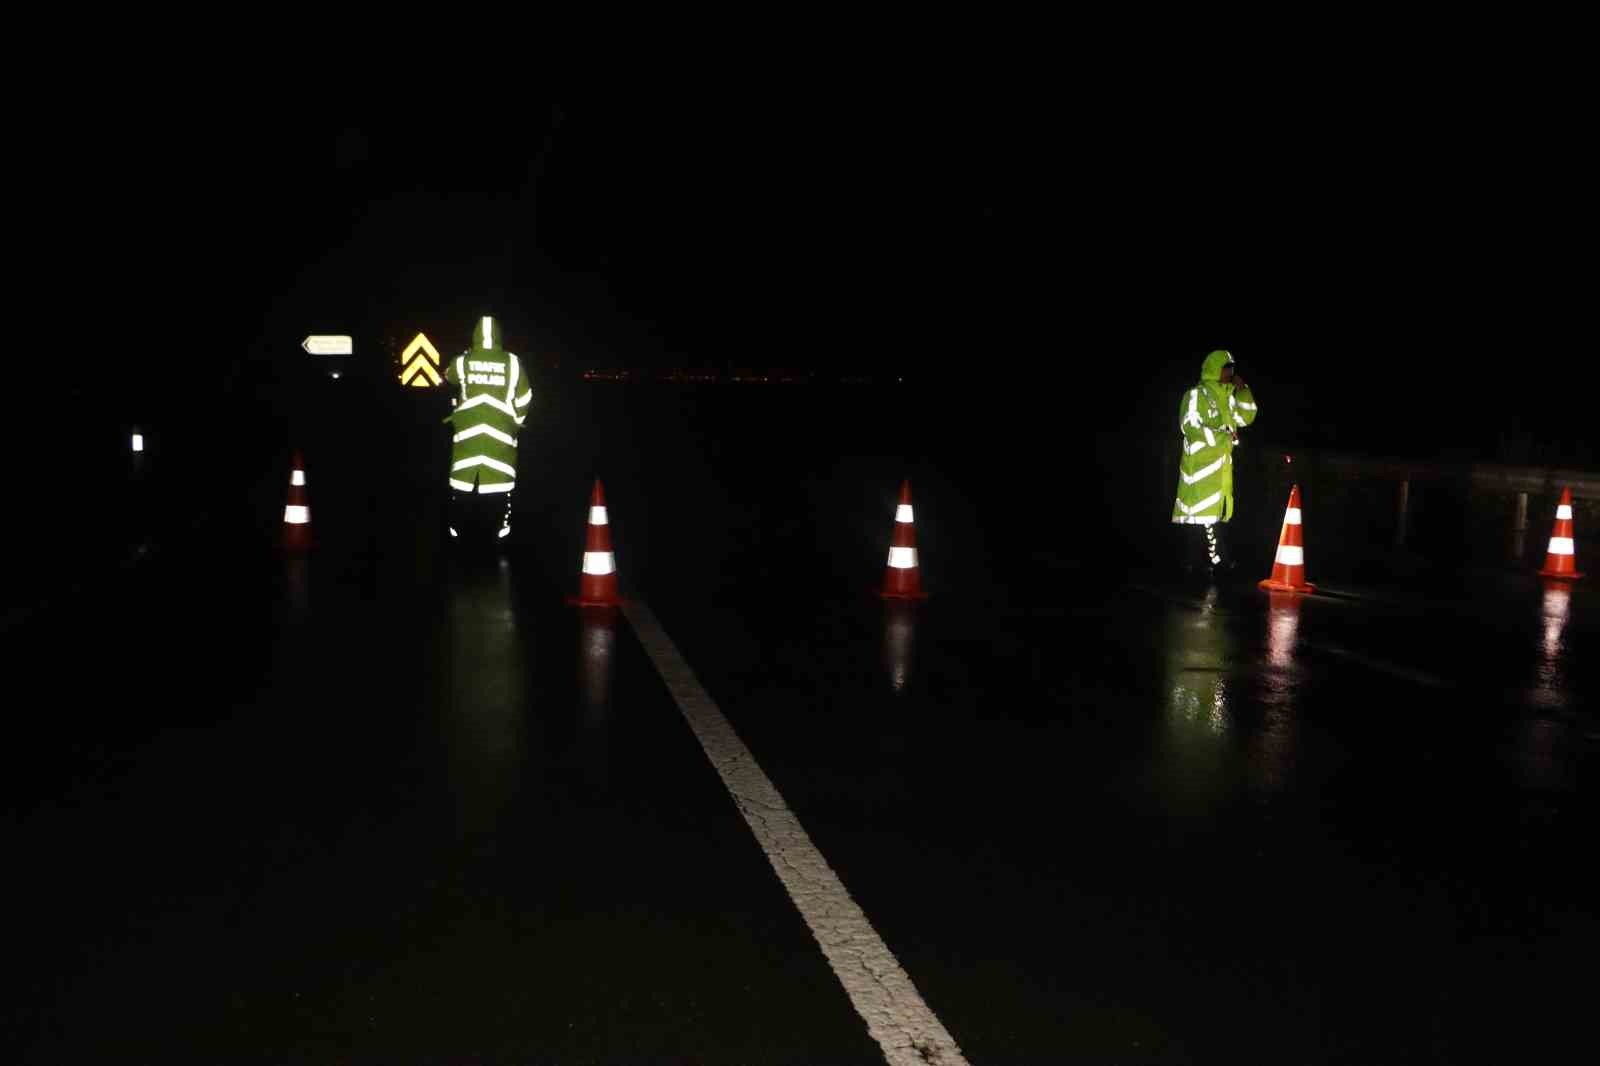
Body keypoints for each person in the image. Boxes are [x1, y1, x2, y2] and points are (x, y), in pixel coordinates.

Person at [443, 314, 533, 544]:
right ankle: (501, 527)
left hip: (467, 435)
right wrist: (515, 423)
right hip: (500, 435)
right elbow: (525, 397)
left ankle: (456, 526)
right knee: (502, 485)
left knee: (462, 482)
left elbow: (448, 376)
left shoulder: (462, 361)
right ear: (500, 336)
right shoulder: (513, 362)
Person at [1171, 349, 1257, 573]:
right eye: (1226, 368)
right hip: (1199, 469)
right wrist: (1223, 438)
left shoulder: (1228, 397)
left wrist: (1243, 392)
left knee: (1211, 519)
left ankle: (1210, 563)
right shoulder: (1196, 394)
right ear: (1214, 369)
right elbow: (1189, 425)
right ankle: (1205, 563)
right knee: (1198, 521)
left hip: (1220, 471)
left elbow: (1246, 418)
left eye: (1231, 368)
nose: (1230, 372)